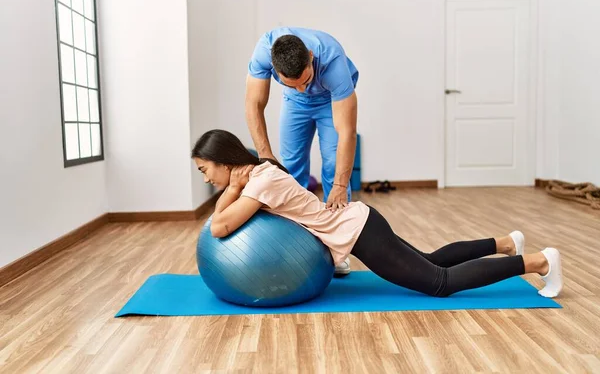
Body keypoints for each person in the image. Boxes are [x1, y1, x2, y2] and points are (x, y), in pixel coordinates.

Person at [191, 129, 564, 299]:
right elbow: (221, 221)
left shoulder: (257, 183)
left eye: (205, 169)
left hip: (357, 233)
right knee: (433, 262)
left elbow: (220, 227)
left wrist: (234, 188)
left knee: (440, 284)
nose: (207, 178)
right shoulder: (261, 172)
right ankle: (504, 243)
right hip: (359, 222)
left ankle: (538, 263)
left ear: (224, 161)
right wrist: (234, 185)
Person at [245, 27, 359, 275]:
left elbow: (347, 133)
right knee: (290, 168)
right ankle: (294, 244)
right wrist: (265, 155)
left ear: (310, 56)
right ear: (276, 69)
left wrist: (340, 185)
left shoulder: (333, 62)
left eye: (305, 81)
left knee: (332, 168)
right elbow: (253, 104)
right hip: (294, 106)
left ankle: (337, 249)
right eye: (291, 83)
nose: (301, 88)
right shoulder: (265, 50)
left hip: (330, 100)